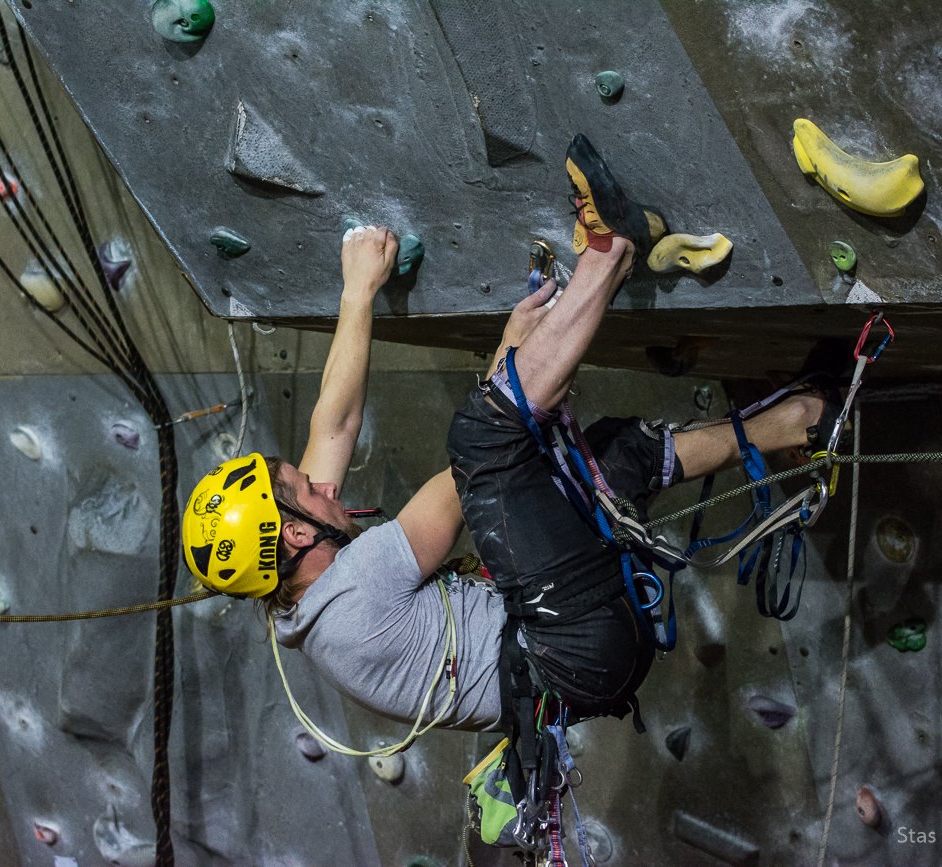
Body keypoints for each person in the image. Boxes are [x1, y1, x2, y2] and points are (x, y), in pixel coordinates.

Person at [182, 134, 827, 738]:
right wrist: (509, 355)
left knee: (603, 459)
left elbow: (335, 422)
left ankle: (799, 420)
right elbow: (472, 475)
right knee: (484, 439)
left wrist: (359, 293)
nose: (316, 480)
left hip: (583, 662)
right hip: (570, 647)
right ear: (294, 532)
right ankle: (613, 247)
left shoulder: (303, 595)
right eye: (298, 486)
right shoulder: (352, 597)